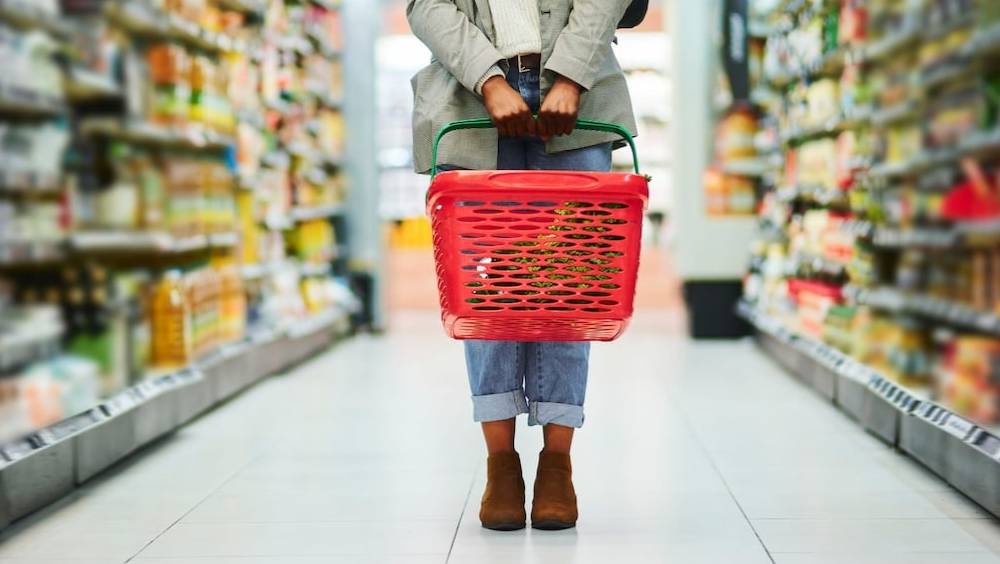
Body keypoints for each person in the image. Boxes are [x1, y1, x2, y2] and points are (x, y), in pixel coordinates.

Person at [407, 0, 637, 531]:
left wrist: (571, 76)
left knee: (570, 285)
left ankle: (557, 464)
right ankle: (501, 465)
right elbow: (425, 5)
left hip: (580, 92)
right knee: (485, 291)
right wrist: (489, 80)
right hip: (468, 95)